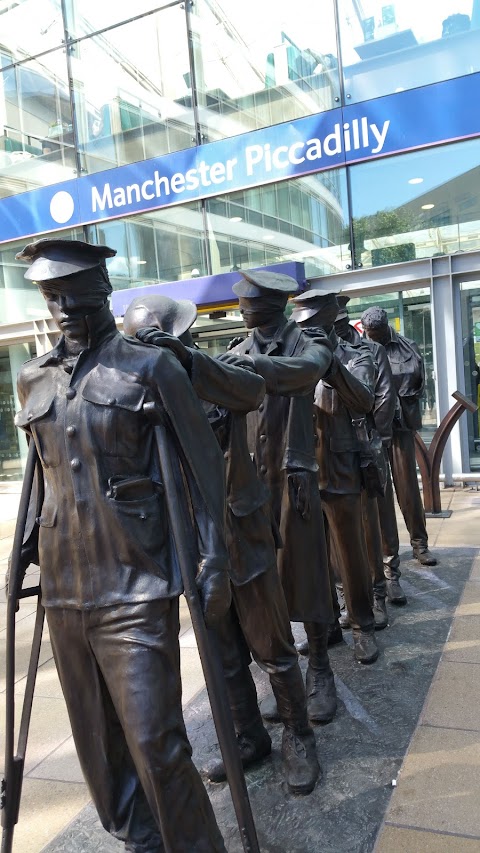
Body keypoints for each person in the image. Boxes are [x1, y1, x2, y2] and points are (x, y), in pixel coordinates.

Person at [12, 239, 231, 853]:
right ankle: (141, 841)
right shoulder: (34, 380)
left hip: (136, 583)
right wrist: (23, 547)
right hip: (64, 591)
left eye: (74, 293)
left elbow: (202, 467)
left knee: (157, 744)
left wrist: (214, 559)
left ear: (104, 291)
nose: (63, 306)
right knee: (101, 755)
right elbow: (44, 474)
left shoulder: (150, 368)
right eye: (52, 296)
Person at [123, 293, 320, 795]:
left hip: (241, 532)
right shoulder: (142, 388)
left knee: (271, 644)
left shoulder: (218, 366)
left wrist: (186, 361)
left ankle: (299, 735)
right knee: (223, 653)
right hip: (189, 539)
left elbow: (251, 391)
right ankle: (248, 737)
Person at [228, 270, 338, 722]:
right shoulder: (235, 351)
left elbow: (307, 373)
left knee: (306, 573)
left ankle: (322, 670)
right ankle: (286, 678)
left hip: (295, 480)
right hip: (251, 486)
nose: (245, 308)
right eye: (244, 304)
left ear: (272, 304)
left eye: (252, 303)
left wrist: (256, 370)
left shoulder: (308, 344)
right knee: (264, 583)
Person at [291, 290, 379, 664]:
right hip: (302, 469)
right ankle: (326, 624)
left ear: (330, 325)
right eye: (302, 329)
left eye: (314, 328)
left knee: (349, 552)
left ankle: (362, 625)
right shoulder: (293, 360)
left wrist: (331, 366)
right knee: (312, 555)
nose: (306, 335)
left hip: (340, 466)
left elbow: (364, 400)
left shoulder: (356, 356)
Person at [334, 295, 400, 616]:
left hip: (366, 444)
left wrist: (375, 436)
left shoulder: (370, 350)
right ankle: (346, 592)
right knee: (337, 532)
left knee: (375, 518)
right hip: (331, 453)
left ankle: (386, 580)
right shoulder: (314, 353)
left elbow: (384, 397)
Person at [361, 306, 437, 568]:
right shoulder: (361, 349)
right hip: (373, 430)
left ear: (385, 328)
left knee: (407, 489)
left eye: (377, 332)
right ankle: (386, 552)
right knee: (379, 492)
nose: (373, 337)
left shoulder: (407, 346)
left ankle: (420, 544)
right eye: (369, 333)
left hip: (400, 426)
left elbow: (420, 382)